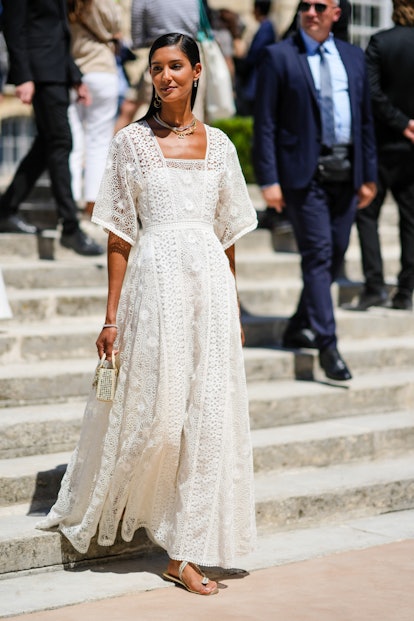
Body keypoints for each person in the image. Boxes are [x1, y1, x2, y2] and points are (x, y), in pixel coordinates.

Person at [36, 33, 257, 596]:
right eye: (157, 68)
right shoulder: (130, 143)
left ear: (197, 71)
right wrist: (110, 318)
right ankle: (126, 501)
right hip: (153, 289)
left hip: (209, 285)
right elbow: (117, 238)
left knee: (206, 422)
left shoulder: (221, 147)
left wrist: (232, 305)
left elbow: (228, 234)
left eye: (176, 66)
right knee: (157, 420)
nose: (165, 77)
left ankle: (185, 549)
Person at [253, 0, 377, 381]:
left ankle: (297, 326)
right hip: (304, 178)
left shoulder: (353, 57)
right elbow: (265, 123)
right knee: (319, 255)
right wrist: (269, 180)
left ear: (335, 13)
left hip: (346, 173)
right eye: (305, 5)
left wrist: (369, 174)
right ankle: (328, 345)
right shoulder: (279, 57)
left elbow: (365, 120)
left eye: (319, 6)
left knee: (334, 255)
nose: (310, 12)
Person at [0, 0, 103, 256]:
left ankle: (5, 210)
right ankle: (70, 227)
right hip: (39, 73)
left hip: (56, 71)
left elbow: (57, 32)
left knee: (46, 146)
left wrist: (75, 76)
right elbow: (13, 27)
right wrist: (23, 75)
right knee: (61, 141)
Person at [349, 0, 414, 311]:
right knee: (411, 220)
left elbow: (371, 93)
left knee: (367, 214)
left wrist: (402, 123)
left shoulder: (380, 42)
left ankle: (374, 286)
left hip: (381, 145)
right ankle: (405, 292)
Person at [67, 0, 122, 217]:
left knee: (73, 140)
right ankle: (93, 202)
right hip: (101, 70)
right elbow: (116, 24)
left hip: (73, 71)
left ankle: (70, 201)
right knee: (99, 141)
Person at [114, 0, 203, 132]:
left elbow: (137, 37)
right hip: (189, 53)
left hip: (155, 53)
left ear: (197, 71)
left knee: (133, 107)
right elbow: (196, 25)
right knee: (192, 110)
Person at [235, 1, 276, 117]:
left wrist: (242, 61)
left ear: (257, 9)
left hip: (257, 76)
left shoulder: (266, 27)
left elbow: (255, 53)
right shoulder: (265, 26)